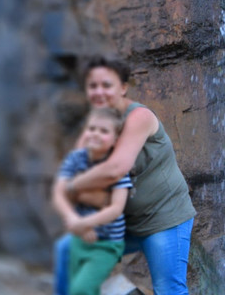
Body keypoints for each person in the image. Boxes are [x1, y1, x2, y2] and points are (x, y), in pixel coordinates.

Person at [54, 57, 196, 295]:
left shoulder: (139, 117)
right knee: (69, 249)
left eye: (106, 85)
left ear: (122, 87)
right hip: (122, 224)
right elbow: (77, 166)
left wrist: (74, 184)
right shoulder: (97, 124)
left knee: (168, 289)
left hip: (163, 218)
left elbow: (115, 168)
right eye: (93, 86)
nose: (99, 92)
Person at [51, 107, 134, 295]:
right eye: (92, 128)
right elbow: (59, 192)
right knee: (76, 288)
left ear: (115, 140)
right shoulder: (76, 159)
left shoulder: (117, 167)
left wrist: (83, 223)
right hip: (79, 238)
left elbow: (116, 209)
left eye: (104, 131)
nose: (95, 134)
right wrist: (73, 220)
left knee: (82, 289)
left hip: (106, 244)